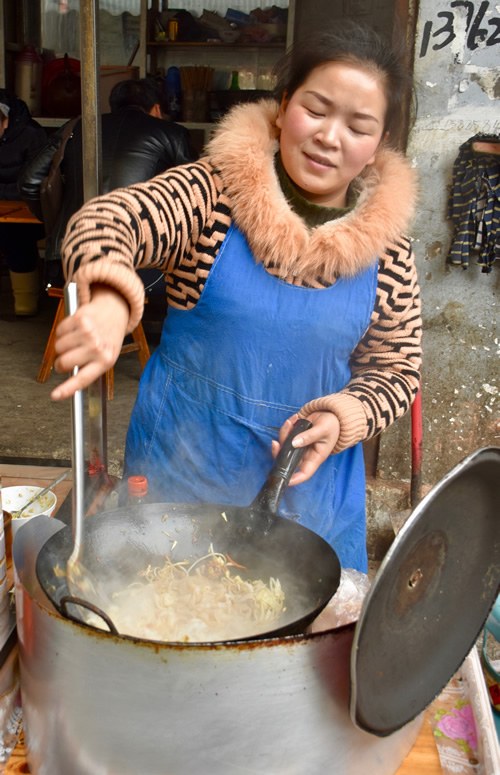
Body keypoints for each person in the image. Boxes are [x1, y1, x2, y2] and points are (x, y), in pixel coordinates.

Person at [49, 22, 422, 572]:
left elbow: (398, 368)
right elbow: (109, 219)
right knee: (164, 617)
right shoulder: (212, 197)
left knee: (297, 635)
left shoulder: (388, 251)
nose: (329, 137)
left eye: (358, 126)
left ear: (377, 147)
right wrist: (108, 297)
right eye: (316, 109)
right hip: (184, 478)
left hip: (309, 501)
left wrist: (348, 414)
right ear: (283, 106)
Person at [20, 76, 195, 290]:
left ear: (112, 106)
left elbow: (29, 182)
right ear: (157, 109)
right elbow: (195, 198)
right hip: (140, 265)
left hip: (69, 256)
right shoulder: (172, 133)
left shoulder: (75, 128)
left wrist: (58, 224)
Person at [0, 90, 47, 316]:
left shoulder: (32, 135)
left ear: (5, 120)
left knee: (16, 235)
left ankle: (25, 302)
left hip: (28, 209)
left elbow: (34, 183)